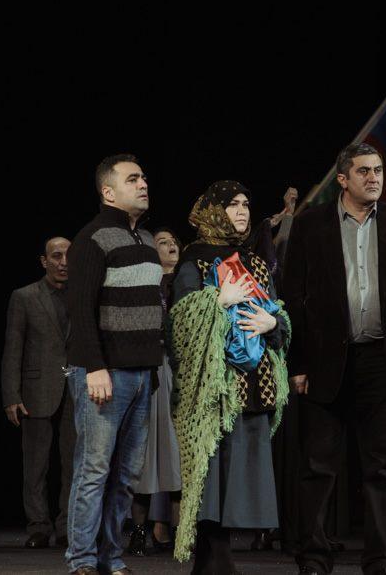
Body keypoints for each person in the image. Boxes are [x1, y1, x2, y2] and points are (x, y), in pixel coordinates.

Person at [284, 143, 386, 575]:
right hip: (325, 364)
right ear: (343, 179)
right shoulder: (311, 224)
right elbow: (293, 297)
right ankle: (314, 557)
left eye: (378, 170)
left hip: (382, 362)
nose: (374, 178)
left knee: (381, 469)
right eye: (364, 171)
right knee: (318, 466)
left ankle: (379, 558)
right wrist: (297, 364)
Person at [168, 180, 290, 573]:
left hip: (253, 384)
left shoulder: (254, 261)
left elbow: (278, 312)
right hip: (214, 389)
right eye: (232, 204)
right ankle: (216, 559)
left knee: (238, 478)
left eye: (245, 204)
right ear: (213, 212)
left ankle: (214, 561)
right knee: (211, 474)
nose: (241, 211)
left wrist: (273, 323)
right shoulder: (195, 260)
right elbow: (179, 324)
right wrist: (216, 302)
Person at [64, 154, 164, 575]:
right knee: (94, 471)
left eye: (144, 177)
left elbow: (153, 309)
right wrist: (94, 367)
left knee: (125, 477)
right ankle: (82, 560)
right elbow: (80, 308)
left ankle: (110, 557)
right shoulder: (93, 237)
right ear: (108, 191)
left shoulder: (147, 240)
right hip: (105, 373)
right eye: (132, 179)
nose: (143, 184)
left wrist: (152, 370)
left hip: (141, 374)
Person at [1, 236, 75, 549]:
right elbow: (13, 348)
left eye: (68, 255)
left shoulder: (83, 295)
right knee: (36, 464)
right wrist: (11, 395)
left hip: (76, 388)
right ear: (44, 261)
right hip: (37, 387)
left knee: (73, 463)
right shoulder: (25, 296)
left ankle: (68, 525)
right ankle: (38, 527)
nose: (63, 262)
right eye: (56, 256)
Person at [128, 227, 183, 556]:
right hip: (150, 368)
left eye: (174, 241)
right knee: (146, 456)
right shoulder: (144, 282)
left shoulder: (187, 280)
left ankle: (178, 532)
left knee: (177, 455)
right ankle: (138, 533)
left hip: (179, 372)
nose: (171, 245)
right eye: (163, 242)